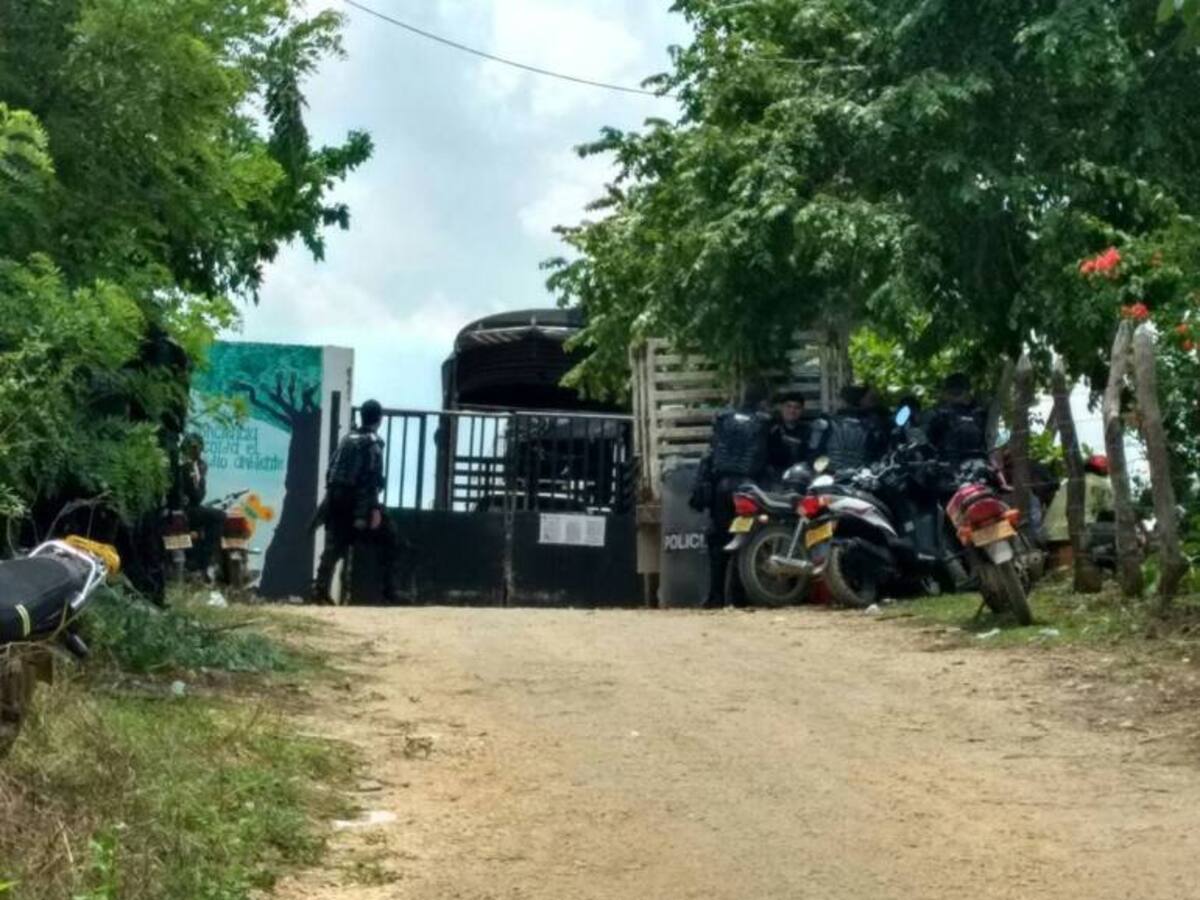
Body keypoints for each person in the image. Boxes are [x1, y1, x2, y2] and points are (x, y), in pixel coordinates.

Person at [312, 400, 399, 604]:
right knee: (390, 537)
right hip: (357, 499)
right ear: (379, 419)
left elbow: (331, 472)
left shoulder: (346, 439)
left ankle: (320, 589)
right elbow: (370, 478)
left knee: (334, 546)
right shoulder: (373, 442)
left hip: (335, 497)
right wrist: (371, 510)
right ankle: (389, 591)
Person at [700, 380, 772, 608]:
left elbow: (711, 453)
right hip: (746, 488)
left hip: (721, 487)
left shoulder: (722, 418)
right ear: (763, 402)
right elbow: (771, 454)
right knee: (746, 540)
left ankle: (715, 596)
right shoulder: (764, 422)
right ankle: (739, 597)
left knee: (718, 541)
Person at [808, 385, 888, 472]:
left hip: (830, 476)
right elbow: (878, 457)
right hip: (859, 479)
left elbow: (813, 453)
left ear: (843, 401)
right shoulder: (873, 425)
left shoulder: (826, 422)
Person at [178, 433, 224, 580]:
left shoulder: (197, 465)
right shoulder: (188, 465)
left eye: (197, 448)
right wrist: (201, 478)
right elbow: (197, 496)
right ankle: (202, 562)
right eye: (193, 448)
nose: (196, 452)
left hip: (184, 508)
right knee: (219, 517)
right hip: (185, 510)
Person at [926, 373, 989, 466]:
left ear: (967, 391)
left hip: (978, 465)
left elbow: (992, 438)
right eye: (951, 391)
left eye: (958, 391)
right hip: (949, 466)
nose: (954, 395)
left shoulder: (980, 413)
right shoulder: (941, 414)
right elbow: (930, 441)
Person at [767, 391, 812, 476]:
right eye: (788, 406)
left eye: (797, 407)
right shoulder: (770, 428)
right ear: (781, 407)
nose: (792, 410)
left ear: (802, 410)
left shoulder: (808, 431)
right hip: (774, 476)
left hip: (800, 475)